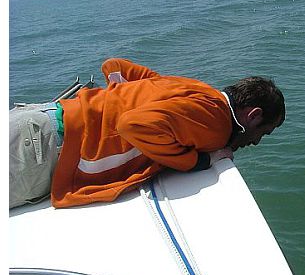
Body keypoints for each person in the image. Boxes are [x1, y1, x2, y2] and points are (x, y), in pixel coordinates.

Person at [9, 58, 285, 209]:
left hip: (38, 119)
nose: (255, 142)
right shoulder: (217, 123)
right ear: (253, 115)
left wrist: (123, 97)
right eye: (263, 133)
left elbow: (113, 66)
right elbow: (133, 125)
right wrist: (203, 161)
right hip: (38, 151)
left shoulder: (196, 89)